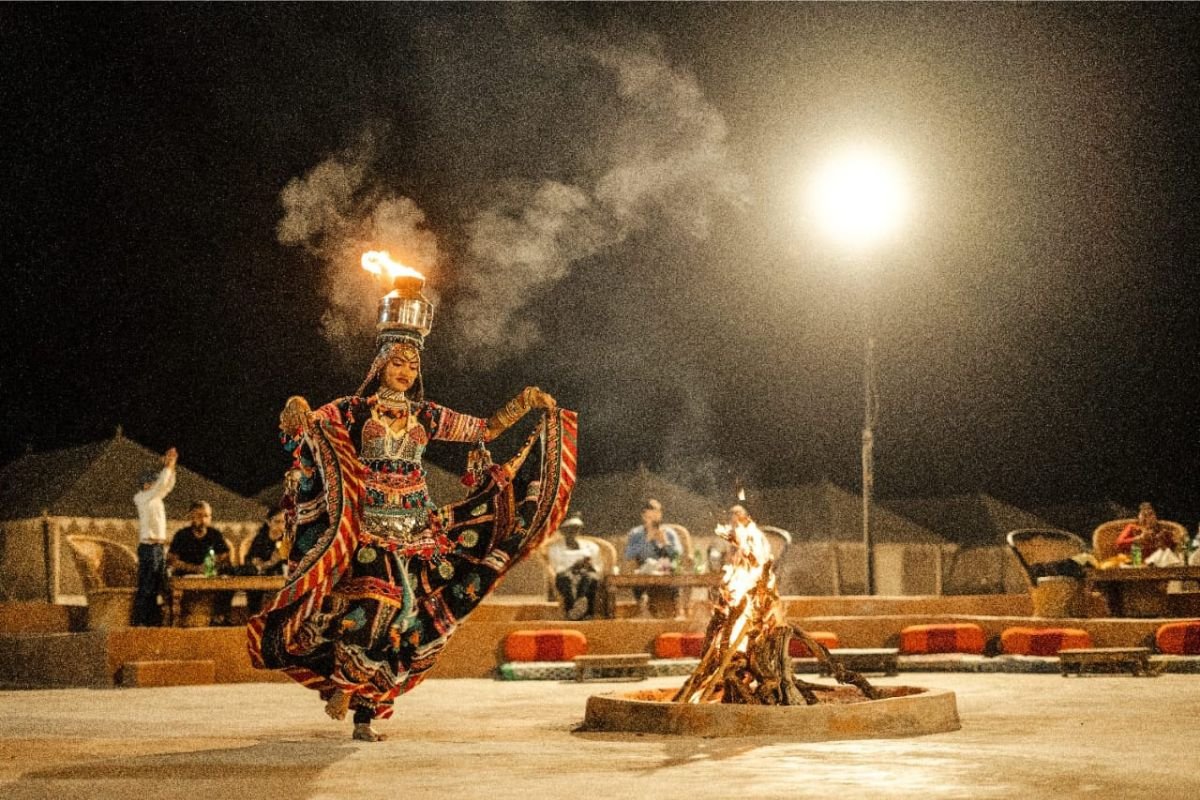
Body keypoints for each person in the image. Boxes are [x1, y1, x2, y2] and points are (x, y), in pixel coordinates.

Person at [247, 275, 577, 742]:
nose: (405, 370)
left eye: (412, 364)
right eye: (397, 361)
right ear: (381, 362)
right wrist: (296, 404)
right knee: (374, 605)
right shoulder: (352, 409)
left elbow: (483, 430)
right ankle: (343, 683)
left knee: (407, 622)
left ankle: (364, 714)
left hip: (420, 530)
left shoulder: (425, 415)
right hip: (366, 526)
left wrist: (524, 403)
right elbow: (303, 433)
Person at [131, 447, 178, 626]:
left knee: (159, 584)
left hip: (158, 547)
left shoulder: (156, 498)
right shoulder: (141, 498)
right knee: (147, 585)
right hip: (148, 548)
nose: (154, 484)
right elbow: (160, 485)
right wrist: (167, 467)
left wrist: (171, 467)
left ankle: (153, 620)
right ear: (145, 485)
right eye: (151, 482)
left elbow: (167, 486)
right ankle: (141, 621)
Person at [168, 500, 233, 624]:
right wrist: (195, 569)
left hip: (210, 574)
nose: (203, 520)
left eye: (206, 516)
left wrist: (213, 564)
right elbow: (172, 560)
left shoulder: (215, 534)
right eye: (199, 516)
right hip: (186, 575)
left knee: (228, 578)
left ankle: (219, 618)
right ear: (191, 516)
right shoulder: (181, 535)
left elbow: (225, 556)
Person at [623, 498, 684, 617]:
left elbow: (678, 553)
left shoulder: (669, 533)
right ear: (643, 517)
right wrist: (646, 540)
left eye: (655, 517)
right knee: (639, 580)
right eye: (649, 517)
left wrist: (666, 543)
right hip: (645, 570)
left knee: (675, 577)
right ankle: (643, 611)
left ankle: (678, 611)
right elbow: (628, 555)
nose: (652, 521)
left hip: (666, 569)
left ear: (660, 515)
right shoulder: (636, 534)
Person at [547, 514, 600, 620]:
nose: (573, 532)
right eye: (570, 529)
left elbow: (596, 564)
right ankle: (573, 609)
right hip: (566, 574)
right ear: (563, 531)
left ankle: (582, 605)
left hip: (585, 572)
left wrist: (587, 565)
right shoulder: (555, 548)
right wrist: (574, 567)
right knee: (565, 580)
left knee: (590, 578)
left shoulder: (590, 546)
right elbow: (556, 567)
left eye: (576, 529)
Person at [243, 506, 287, 615]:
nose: (280, 526)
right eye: (277, 522)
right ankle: (256, 615)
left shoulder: (287, 539)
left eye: (283, 522)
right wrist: (270, 563)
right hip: (260, 576)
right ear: (268, 522)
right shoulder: (261, 538)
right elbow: (254, 560)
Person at [1115, 502, 1184, 560]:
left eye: (1150, 514)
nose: (1147, 517)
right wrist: (1139, 538)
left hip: (1157, 564)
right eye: (1144, 514)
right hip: (1136, 563)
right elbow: (1119, 543)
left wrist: (1166, 541)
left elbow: (1174, 548)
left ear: (1155, 516)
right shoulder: (1132, 528)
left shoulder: (1162, 530)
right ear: (1138, 516)